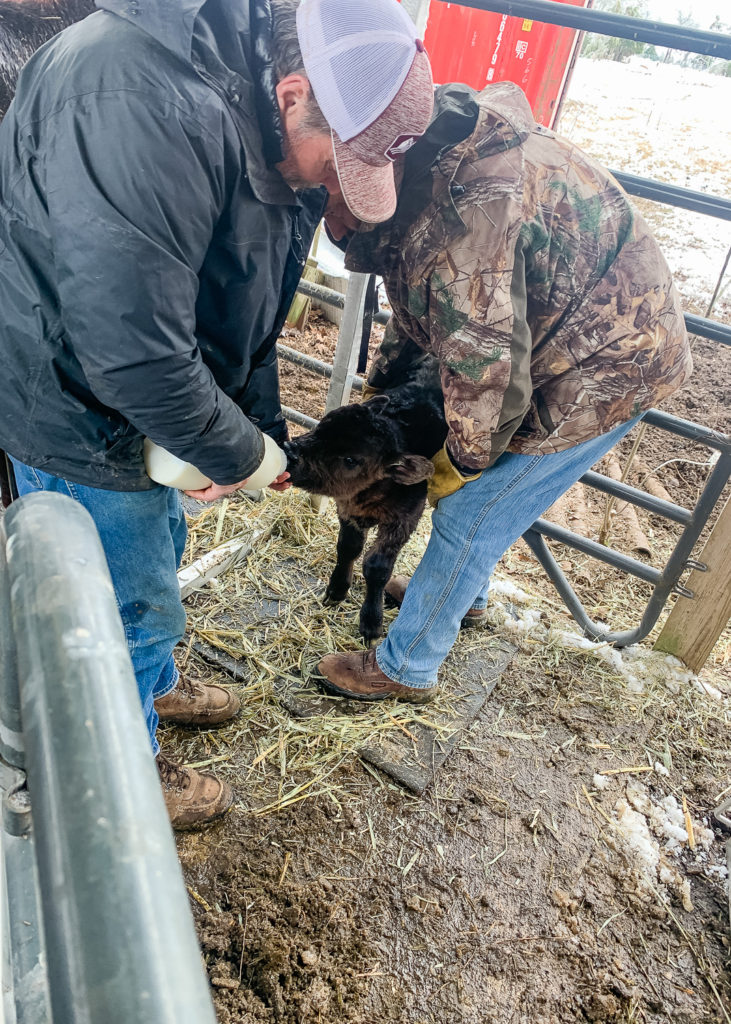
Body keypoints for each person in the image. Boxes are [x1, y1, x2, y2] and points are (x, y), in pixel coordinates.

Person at [0, 0, 434, 827]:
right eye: (337, 165)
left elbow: (247, 300)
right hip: (71, 401)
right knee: (123, 604)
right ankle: (119, 768)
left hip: (138, 400)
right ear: (294, 92)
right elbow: (130, 349)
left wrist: (257, 425)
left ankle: (152, 689)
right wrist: (241, 455)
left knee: (160, 545)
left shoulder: (263, 112)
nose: (332, 187)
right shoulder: (136, 99)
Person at [316, 79, 692, 703]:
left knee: (472, 508)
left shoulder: (461, 228)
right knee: (477, 494)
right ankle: (464, 596)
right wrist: (378, 389)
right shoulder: (417, 163)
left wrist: (444, 468)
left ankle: (406, 665)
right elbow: (422, 319)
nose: (331, 218)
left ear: (365, 192)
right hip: (569, 328)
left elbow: (486, 377)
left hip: (608, 360)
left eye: (334, 208)